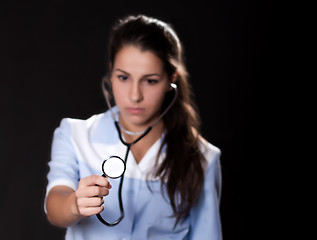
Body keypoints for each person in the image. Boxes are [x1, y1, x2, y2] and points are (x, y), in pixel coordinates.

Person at [44, 14, 222, 240]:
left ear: (171, 80)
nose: (135, 95)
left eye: (150, 81)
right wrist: (73, 204)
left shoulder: (203, 158)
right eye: (124, 77)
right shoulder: (75, 135)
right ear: (111, 72)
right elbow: (55, 206)